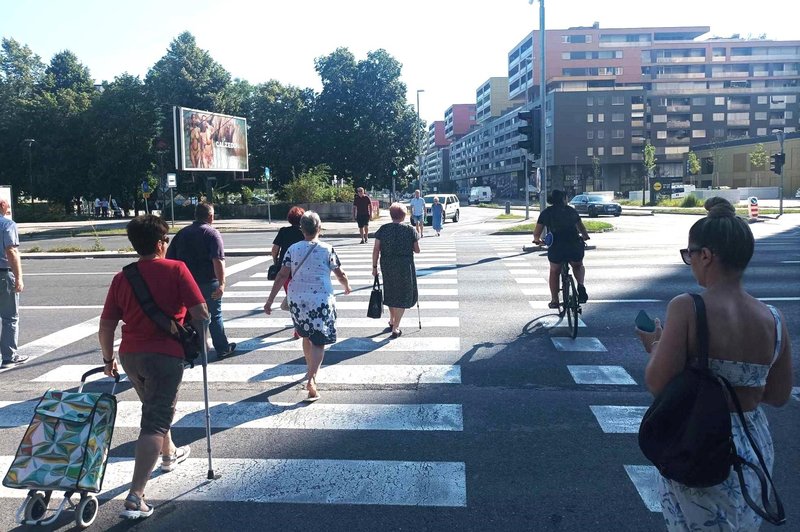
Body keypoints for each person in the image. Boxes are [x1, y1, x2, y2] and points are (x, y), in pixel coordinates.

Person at [636, 197, 792, 531]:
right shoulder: (775, 319)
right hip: (753, 443)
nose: (689, 262)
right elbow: (778, 395)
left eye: (688, 254)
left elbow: (658, 382)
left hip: (700, 439)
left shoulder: (688, 308)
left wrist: (655, 345)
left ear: (705, 255)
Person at [99, 215, 209, 519]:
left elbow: (107, 324)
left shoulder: (123, 277)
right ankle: (135, 496)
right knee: (155, 420)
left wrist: (107, 360)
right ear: (162, 243)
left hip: (131, 354)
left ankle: (169, 453)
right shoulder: (176, 269)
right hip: (164, 355)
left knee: (154, 404)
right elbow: (200, 311)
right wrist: (201, 338)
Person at [264, 211, 351, 402]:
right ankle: (312, 379)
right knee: (319, 340)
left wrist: (270, 301)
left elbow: (281, 275)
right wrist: (346, 286)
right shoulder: (327, 249)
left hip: (297, 299)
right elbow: (340, 273)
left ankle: (308, 369)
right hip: (320, 299)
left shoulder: (293, 249)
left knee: (305, 334)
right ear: (319, 228)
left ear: (302, 229)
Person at [166, 203, 236, 359]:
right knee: (214, 315)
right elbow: (217, 260)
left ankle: (189, 348)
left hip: (185, 283)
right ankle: (222, 348)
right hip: (208, 282)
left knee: (187, 317)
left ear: (195, 215)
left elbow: (169, 259)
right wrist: (222, 283)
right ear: (210, 217)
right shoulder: (212, 234)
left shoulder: (182, 233)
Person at [532, 189, 590, 309]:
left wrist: (537, 240)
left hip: (557, 246)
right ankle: (580, 285)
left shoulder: (546, 213)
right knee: (578, 265)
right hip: (573, 244)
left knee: (554, 271)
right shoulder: (571, 211)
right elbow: (581, 228)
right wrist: (585, 236)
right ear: (564, 199)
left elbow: (537, 232)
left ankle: (555, 300)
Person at [372, 203, 421, 338]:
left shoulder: (383, 229)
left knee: (391, 291)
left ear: (391, 215)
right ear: (404, 215)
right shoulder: (410, 230)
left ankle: (392, 320)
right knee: (404, 294)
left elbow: (376, 249)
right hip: (405, 265)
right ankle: (396, 326)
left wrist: (374, 267)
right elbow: (417, 250)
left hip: (387, 265)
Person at [271, 206, 306, 338]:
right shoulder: (304, 232)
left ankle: (297, 327)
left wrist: (276, 262)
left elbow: (274, 250)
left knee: (292, 299)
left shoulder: (283, 231)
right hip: (301, 271)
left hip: (286, 271)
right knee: (300, 299)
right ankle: (300, 326)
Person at [0, 199, 26, 368]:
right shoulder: (7, 224)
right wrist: (19, 277)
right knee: (10, 317)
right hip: (3, 274)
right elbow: (11, 251)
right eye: (8, 206)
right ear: (2, 206)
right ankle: (9, 356)